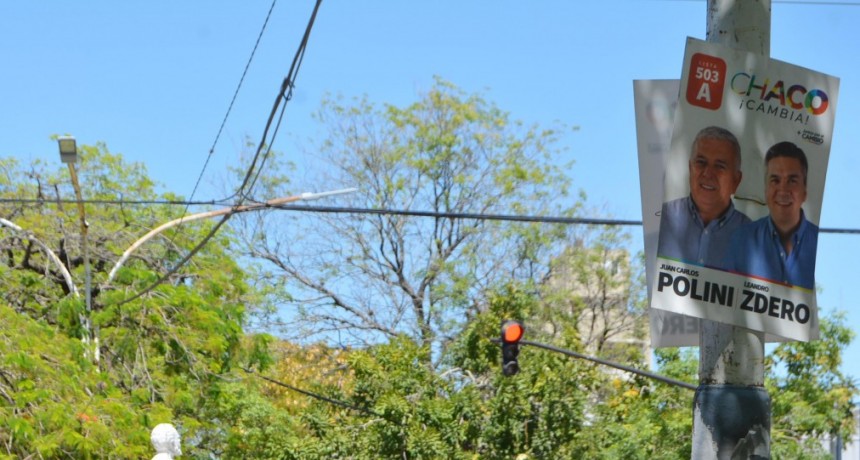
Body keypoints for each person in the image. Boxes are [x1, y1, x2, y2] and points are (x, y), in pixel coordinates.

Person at [725, 141, 818, 289]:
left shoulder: (821, 245)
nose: (783, 190)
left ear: (805, 192)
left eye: (792, 181)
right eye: (775, 180)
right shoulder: (741, 240)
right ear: (765, 190)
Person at [657, 126, 750, 266]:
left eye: (719, 166)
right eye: (701, 162)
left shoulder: (753, 239)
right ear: (690, 168)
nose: (707, 173)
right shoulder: (660, 220)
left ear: (736, 180)